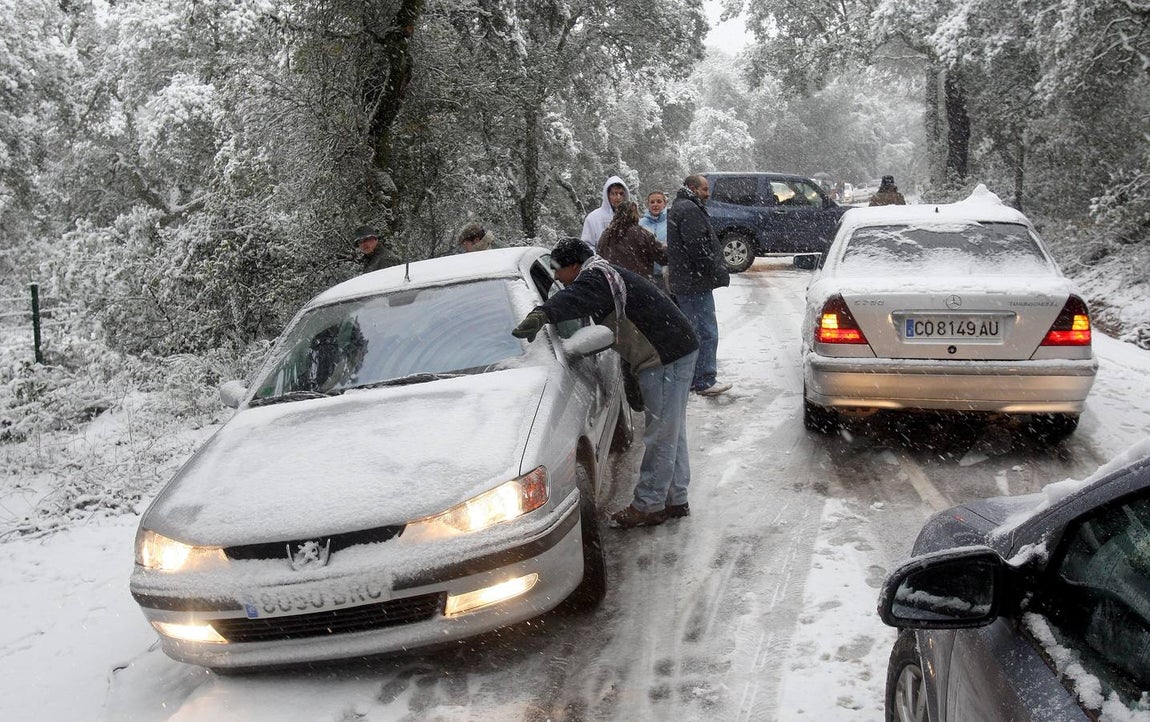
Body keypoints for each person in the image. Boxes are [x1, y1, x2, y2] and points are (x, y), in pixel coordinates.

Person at [511, 238, 699, 528]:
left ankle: (649, 505)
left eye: (558, 270)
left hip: (665, 355)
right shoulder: (606, 273)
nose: (557, 277)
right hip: (674, 347)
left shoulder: (597, 278)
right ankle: (675, 498)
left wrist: (542, 313)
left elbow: (575, 298)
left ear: (575, 266)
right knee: (671, 431)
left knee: (662, 434)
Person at [667, 174, 732, 396]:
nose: (708, 193)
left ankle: (694, 378)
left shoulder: (680, 207)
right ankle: (704, 380)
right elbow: (697, 247)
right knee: (706, 331)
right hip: (694, 283)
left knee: (693, 330)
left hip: (686, 281)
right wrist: (711, 270)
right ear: (693, 188)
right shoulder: (690, 210)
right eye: (704, 189)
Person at [597, 200, 666, 280]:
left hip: (613, 282)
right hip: (638, 282)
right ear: (634, 214)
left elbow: (599, 257)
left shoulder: (606, 235)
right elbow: (662, 257)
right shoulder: (641, 234)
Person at [581, 176, 629, 250]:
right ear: (607, 195)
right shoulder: (593, 218)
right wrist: (599, 259)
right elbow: (586, 246)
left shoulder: (629, 217)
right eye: (614, 193)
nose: (618, 197)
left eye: (621, 193)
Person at [639, 191, 669, 285]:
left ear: (665, 204)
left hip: (667, 275)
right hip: (646, 274)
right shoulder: (640, 223)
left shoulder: (671, 222)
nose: (655, 205)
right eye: (652, 202)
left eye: (659, 201)